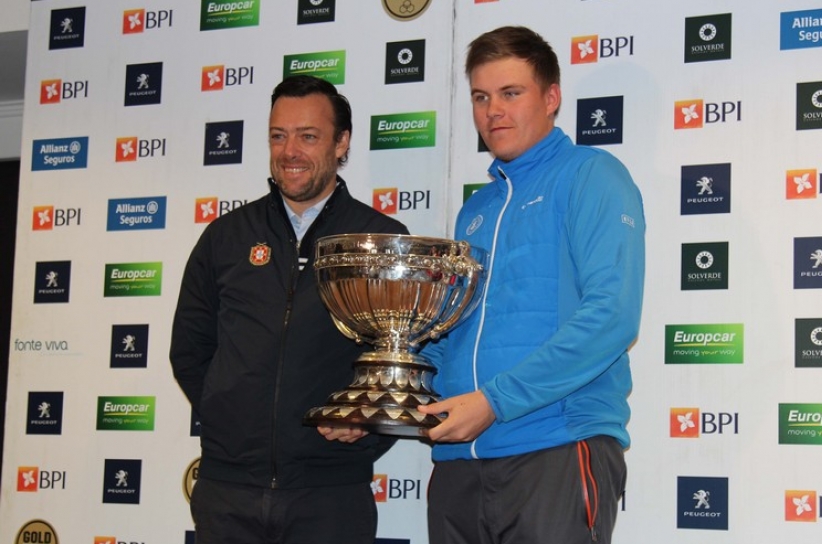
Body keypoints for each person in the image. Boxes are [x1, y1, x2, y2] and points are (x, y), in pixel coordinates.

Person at [417, 26, 646, 544]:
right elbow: (452, 332)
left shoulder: (592, 175)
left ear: (551, 97)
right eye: (481, 97)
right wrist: (393, 388)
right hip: (459, 460)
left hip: (555, 445)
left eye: (510, 93)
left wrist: (495, 402)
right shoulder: (475, 210)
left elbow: (612, 315)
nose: (493, 110)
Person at [170, 75, 408, 544]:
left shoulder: (378, 238)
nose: (289, 151)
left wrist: (370, 423)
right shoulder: (226, 236)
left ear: (342, 143)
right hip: (227, 491)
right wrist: (231, 419)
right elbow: (190, 351)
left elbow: (402, 357)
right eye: (278, 136)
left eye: (308, 136)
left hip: (330, 495)